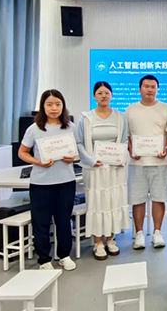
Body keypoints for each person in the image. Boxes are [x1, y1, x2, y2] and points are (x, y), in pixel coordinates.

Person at [18, 89, 80, 270]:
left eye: (58, 104)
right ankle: (44, 259)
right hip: (41, 183)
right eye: (49, 104)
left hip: (66, 181)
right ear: (43, 107)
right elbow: (22, 152)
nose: (54, 108)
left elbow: (77, 152)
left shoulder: (71, 127)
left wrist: (72, 158)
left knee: (64, 220)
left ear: (63, 106)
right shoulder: (34, 129)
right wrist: (37, 162)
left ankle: (64, 255)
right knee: (41, 221)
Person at [77, 82, 129, 261]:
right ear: (94, 96)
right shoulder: (86, 118)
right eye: (100, 93)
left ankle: (111, 239)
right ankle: (98, 242)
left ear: (112, 95)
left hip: (114, 169)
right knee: (97, 203)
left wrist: (121, 158)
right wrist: (91, 160)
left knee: (113, 201)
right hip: (95, 169)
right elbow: (79, 143)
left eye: (107, 92)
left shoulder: (120, 117)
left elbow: (124, 141)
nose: (104, 96)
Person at [126, 75, 167, 250]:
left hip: (159, 162)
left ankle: (157, 232)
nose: (150, 89)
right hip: (137, 163)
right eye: (146, 86)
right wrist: (131, 150)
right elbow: (128, 136)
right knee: (138, 199)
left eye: (153, 87)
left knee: (159, 198)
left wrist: (166, 149)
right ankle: (139, 234)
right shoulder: (131, 110)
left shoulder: (165, 109)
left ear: (157, 89)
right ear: (140, 89)